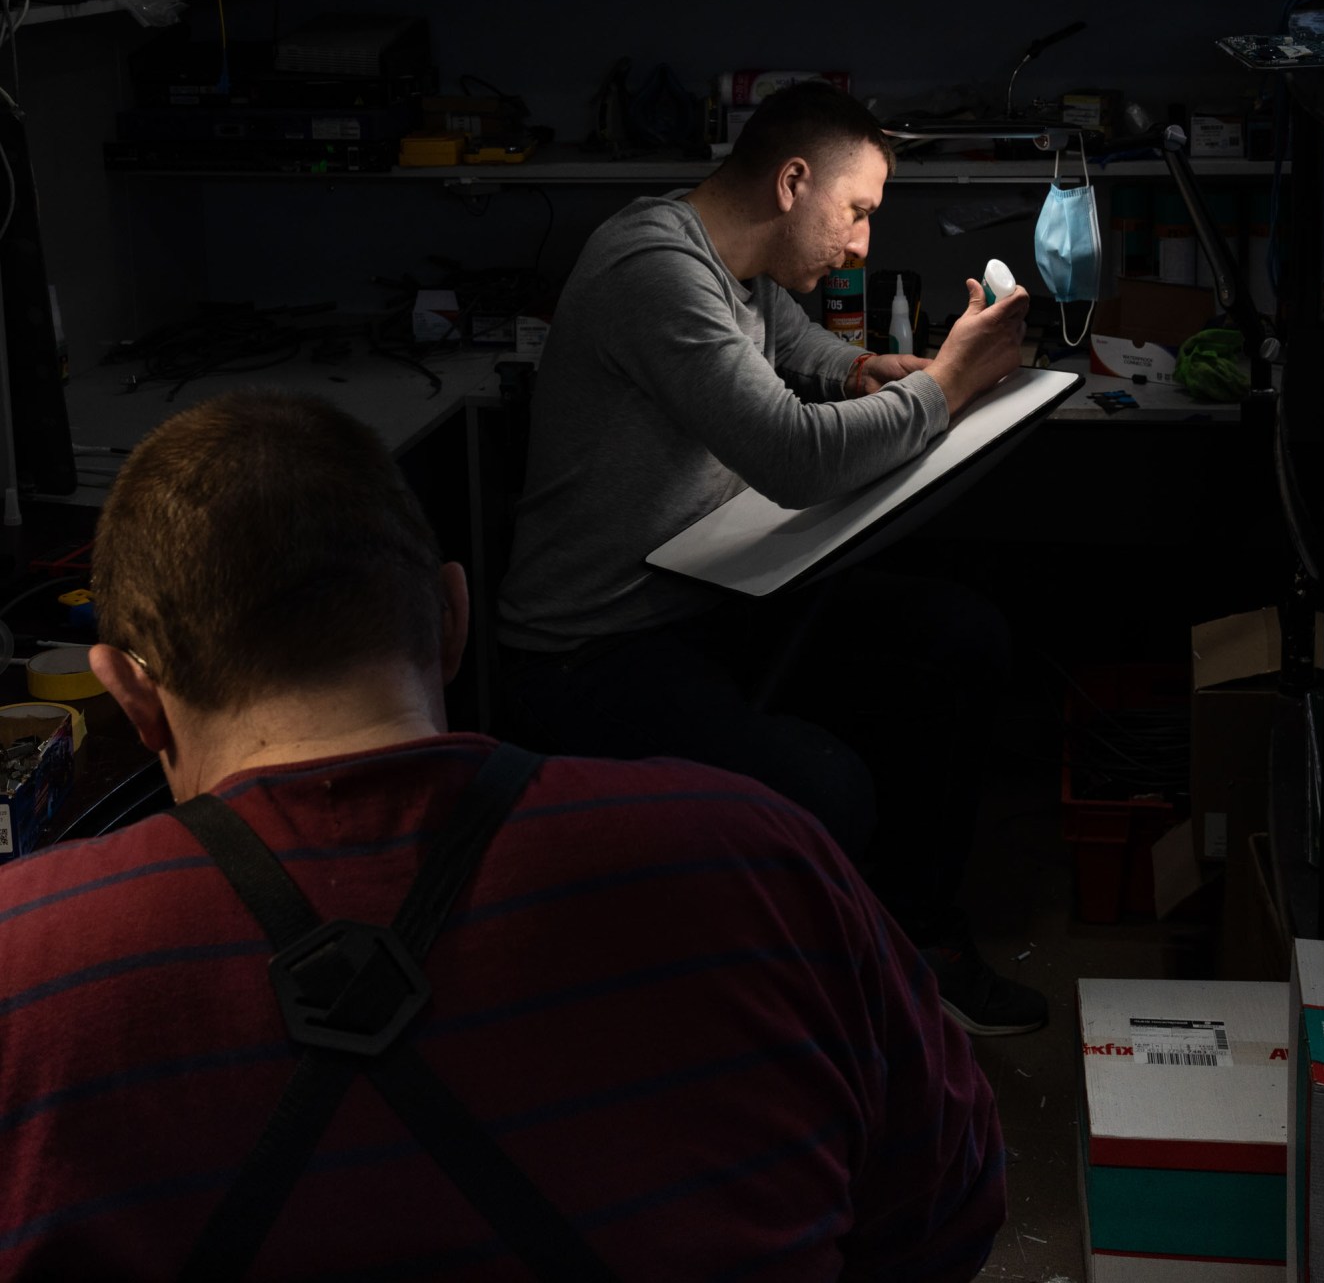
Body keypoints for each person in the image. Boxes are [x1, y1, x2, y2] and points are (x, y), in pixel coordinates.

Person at [0, 389, 1005, 1281]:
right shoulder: (758, 855)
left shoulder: (26, 962)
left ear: (129, 690)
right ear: (450, 616)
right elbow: (944, 1212)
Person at [498, 80, 1044, 1035]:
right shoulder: (653, 266)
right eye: (859, 212)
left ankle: (914, 942)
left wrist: (862, 369)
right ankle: (799, 1027)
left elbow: (793, 349)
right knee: (822, 785)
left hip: (708, 600)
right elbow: (794, 454)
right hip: (591, 649)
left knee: (959, 637)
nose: (864, 242)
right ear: (793, 181)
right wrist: (951, 380)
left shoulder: (736, 265)